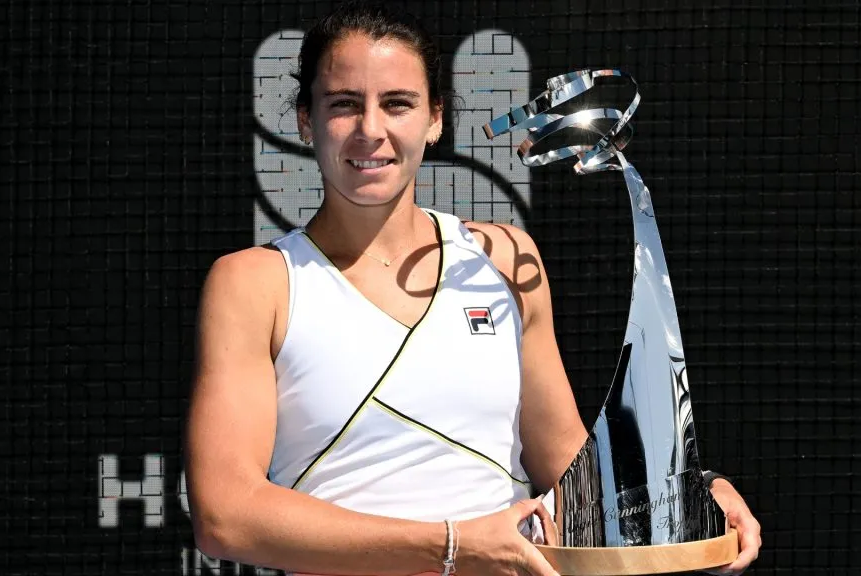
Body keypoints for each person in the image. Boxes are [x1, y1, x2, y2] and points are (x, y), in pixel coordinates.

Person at [183, 2, 762, 575]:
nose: (371, 130)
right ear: (306, 120)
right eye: (343, 105)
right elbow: (226, 515)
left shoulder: (507, 259)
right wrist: (454, 544)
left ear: (435, 119)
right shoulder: (253, 283)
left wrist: (688, 499)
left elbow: (567, 463)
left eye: (397, 104)